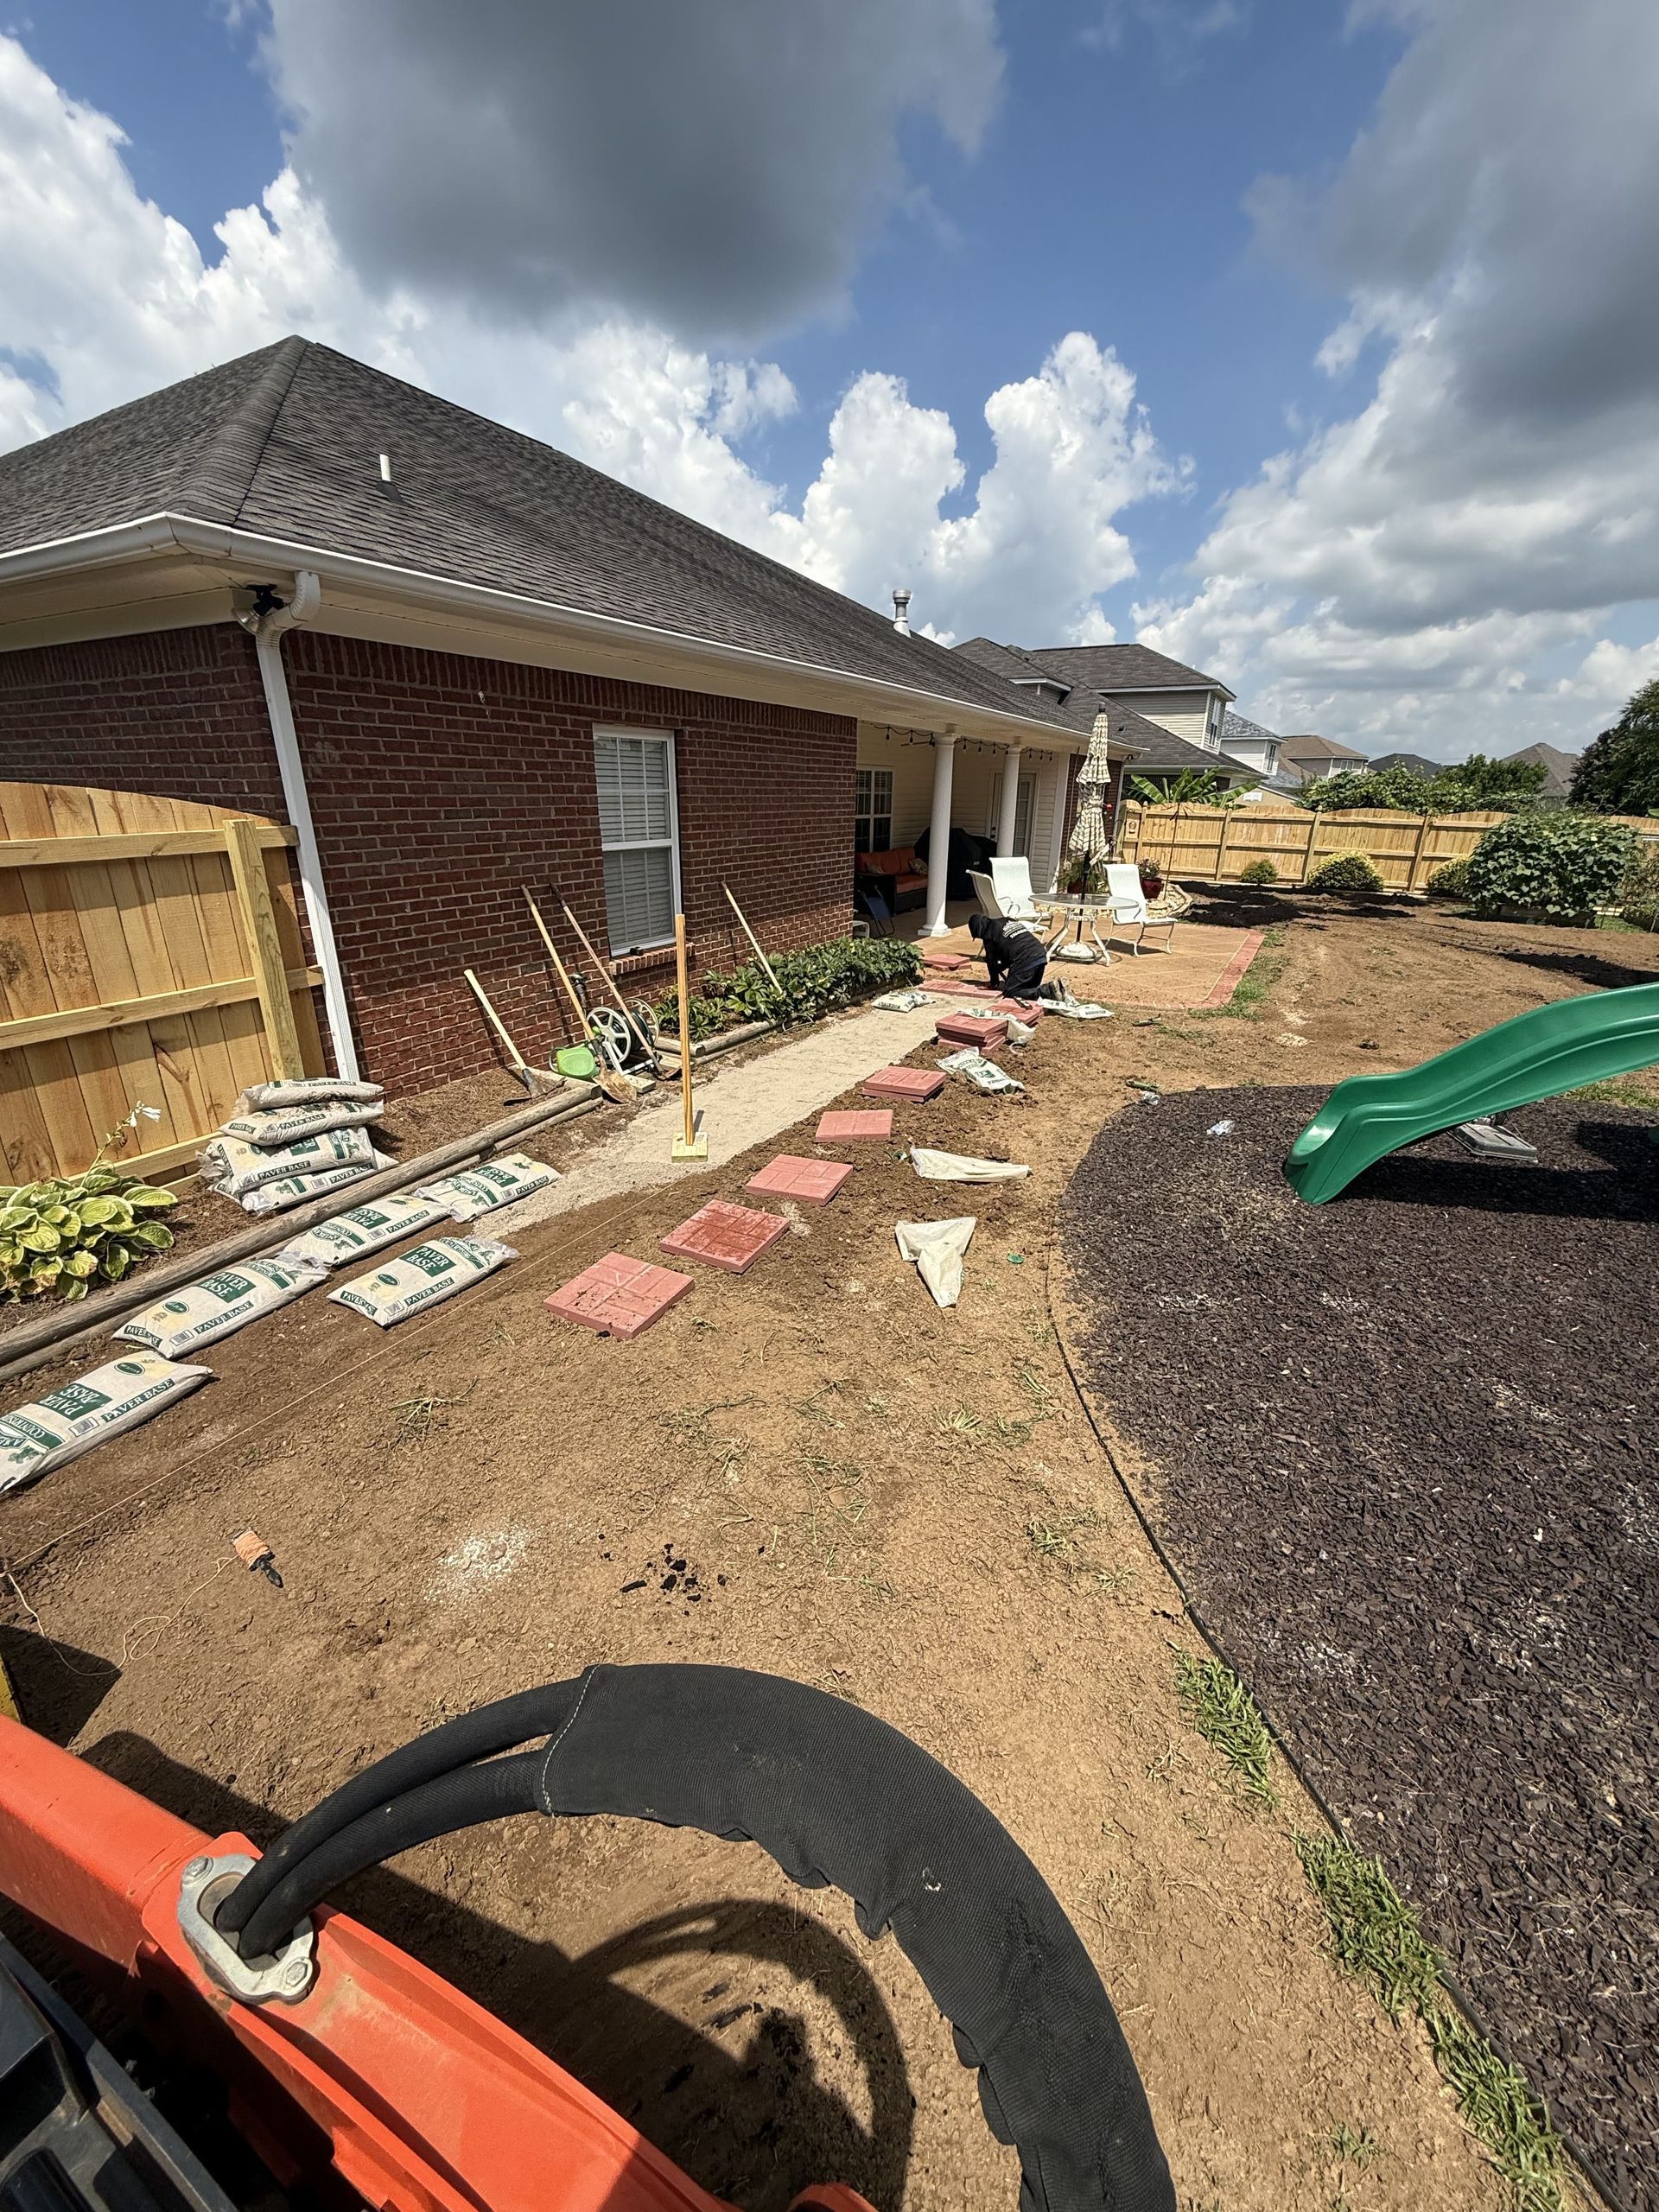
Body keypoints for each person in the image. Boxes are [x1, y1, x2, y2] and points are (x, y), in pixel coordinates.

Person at [968, 912, 1053, 1002]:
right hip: (1040, 953)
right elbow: (1010, 948)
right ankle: (1055, 989)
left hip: (1025, 958)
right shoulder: (1007, 920)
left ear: (978, 929)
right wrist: (1002, 966)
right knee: (1028, 988)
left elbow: (992, 963)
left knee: (1010, 992)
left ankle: (1046, 991)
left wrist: (994, 983)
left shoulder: (988, 934)